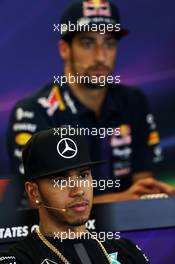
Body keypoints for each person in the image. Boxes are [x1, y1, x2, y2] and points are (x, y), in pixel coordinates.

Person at [7, 0, 175, 205]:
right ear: (64, 49)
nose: (100, 56)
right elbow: (42, 202)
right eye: (87, 43)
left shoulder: (134, 102)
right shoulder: (32, 112)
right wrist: (122, 200)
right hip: (56, 236)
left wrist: (155, 197)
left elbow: (143, 185)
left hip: (125, 231)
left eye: (109, 43)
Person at [0, 128, 149, 264]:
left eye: (83, 175)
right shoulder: (19, 260)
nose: (78, 190)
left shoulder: (127, 251)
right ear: (34, 192)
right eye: (60, 181)